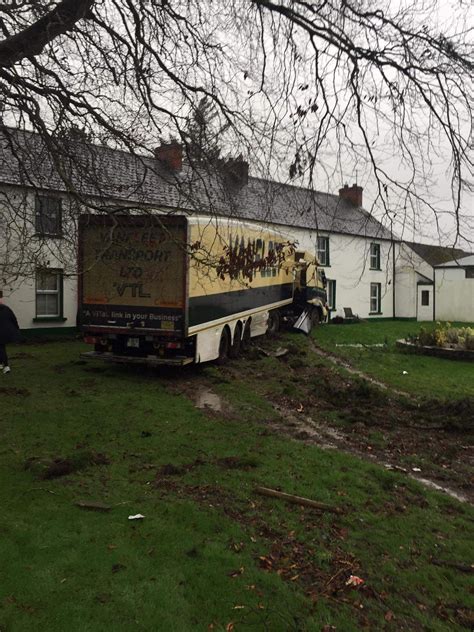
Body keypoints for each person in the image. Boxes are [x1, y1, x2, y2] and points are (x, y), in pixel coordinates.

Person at [0, 292, 20, 374]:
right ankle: (1, 364)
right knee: (1, 347)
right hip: (6, 332)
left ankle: (6, 366)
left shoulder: (6, 309)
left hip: (2, 332)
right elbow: (14, 319)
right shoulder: (6, 309)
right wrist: (16, 329)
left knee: (1, 348)